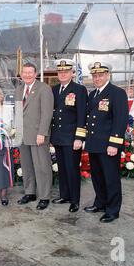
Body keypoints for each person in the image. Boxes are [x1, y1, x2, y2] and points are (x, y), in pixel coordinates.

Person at [84, 61, 129, 223]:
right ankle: (100, 203)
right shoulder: (93, 94)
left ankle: (113, 209)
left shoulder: (117, 93)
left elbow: (120, 120)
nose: (97, 78)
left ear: (108, 75)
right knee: (97, 177)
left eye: (100, 75)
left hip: (108, 145)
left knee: (111, 178)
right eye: (95, 76)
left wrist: (114, 144)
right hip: (94, 144)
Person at [50, 59, 88, 213]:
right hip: (58, 137)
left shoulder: (79, 89)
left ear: (72, 73)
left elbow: (81, 115)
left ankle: (75, 200)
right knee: (62, 169)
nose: (63, 74)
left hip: (72, 138)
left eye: (66, 71)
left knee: (72, 169)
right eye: (60, 71)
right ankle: (64, 195)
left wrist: (79, 138)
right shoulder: (54, 89)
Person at [15, 63, 54, 210]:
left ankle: (44, 196)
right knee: (27, 166)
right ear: (21, 74)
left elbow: (47, 113)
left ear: (36, 73)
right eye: (24, 72)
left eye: (30, 72)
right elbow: (18, 113)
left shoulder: (44, 89)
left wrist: (42, 133)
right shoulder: (19, 90)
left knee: (42, 166)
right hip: (23, 135)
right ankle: (30, 192)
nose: (27, 75)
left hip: (38, 135)